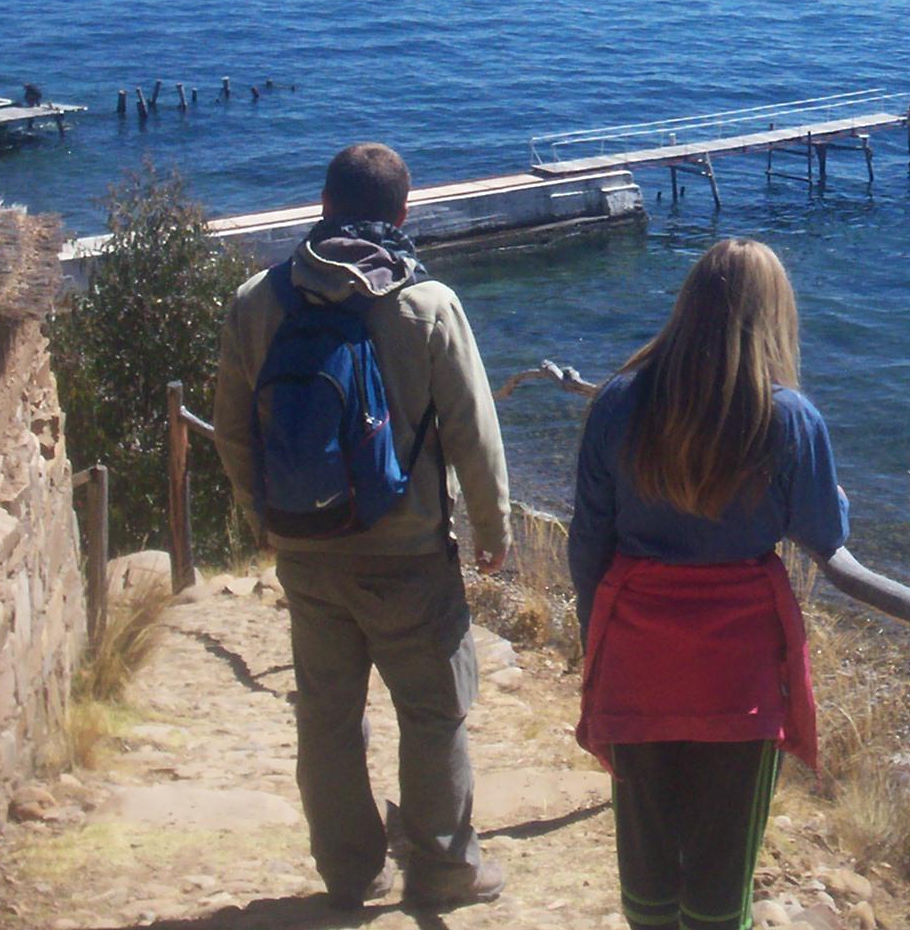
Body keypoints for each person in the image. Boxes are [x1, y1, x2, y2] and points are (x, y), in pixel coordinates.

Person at [213, 142, 511, 911]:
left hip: (308, 552)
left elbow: (232, 431)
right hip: (409, 554)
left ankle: (350, 873)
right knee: (434, 713)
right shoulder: (427, 306)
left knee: (328, 718)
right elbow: (474, 431)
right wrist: (493, 529)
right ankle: (446, 872)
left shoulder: (257, 301)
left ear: (323, 203)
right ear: (403, 213)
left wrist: (260, 518)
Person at [569, 238, 848, 930]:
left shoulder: (618, 403)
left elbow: (587, 546)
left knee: (647, 858)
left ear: (687, 304)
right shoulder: (788, 418)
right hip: (738, 674)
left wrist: (595, 646)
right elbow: (824, 531)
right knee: (723, 875)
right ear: (773, 316)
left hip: (637, 655)